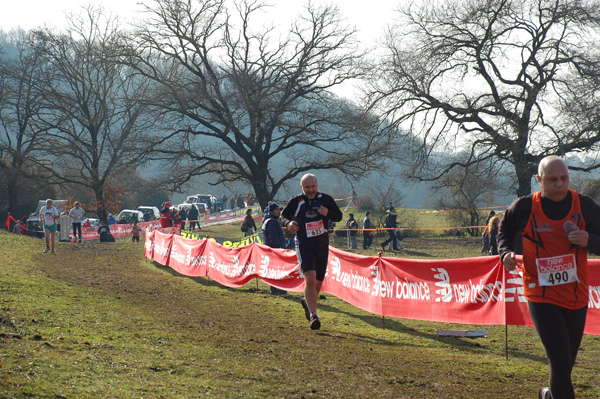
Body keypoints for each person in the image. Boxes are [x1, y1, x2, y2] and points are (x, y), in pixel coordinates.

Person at [498, 155, 600, 399]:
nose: (560, 184)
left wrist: (590, 240)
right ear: (539, 180)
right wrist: (505, 253)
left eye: (564, 178)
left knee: (565, 364)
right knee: (560, 360)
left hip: (576, 296)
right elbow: (504, 229)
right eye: (553, 179)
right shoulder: (523, 207)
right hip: (540, 295)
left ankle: (547, 395)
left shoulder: (584, 205)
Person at [281, 173, 343, 330]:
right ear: (302, 187)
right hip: (304, 244)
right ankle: (314, 315)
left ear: (317, 184)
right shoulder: (296, 201)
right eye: (307, 187)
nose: (310, 190)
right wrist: (288, 224)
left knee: (318, 283)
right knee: (310, 278)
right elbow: (283, 216)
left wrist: (327, 213)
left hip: (322, 245)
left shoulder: (326, 199)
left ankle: (307, 302)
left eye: (313, 186)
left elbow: (339, 216)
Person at [261, 202, 288, 295]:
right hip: (276, 251)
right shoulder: (271, 222)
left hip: (273, 250)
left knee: (274, 271)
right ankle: (280, 291)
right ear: (272, 212)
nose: (279, 212)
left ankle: (275, 290)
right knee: (278, 271)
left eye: (279, 210)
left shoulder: (271, 221)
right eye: (277, 210)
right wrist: (278, 249)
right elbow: (273, 237)